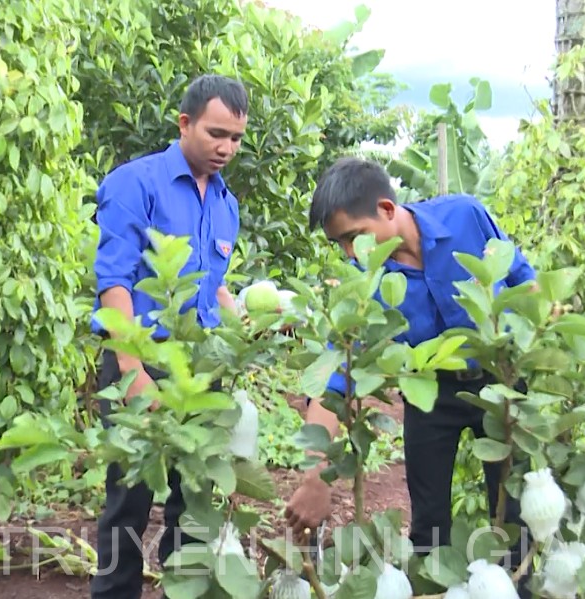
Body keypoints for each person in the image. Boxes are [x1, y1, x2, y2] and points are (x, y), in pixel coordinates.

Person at [284, 157, 538, 596]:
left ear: (386, 209)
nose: (350, 253)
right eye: (339, 244)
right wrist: (314, 477)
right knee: (428, 522)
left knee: (515, 512)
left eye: (353, 237)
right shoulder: (366, 283)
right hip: (428, 394)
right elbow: (335, 378)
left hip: (499, 381)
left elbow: (521, 279)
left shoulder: (465, 217)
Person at [89, 74, 249, 599]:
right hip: (141, 358)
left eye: (236, 138)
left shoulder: (225, 203)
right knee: (129, 499)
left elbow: (214, 286)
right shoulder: (135, 184)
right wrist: (132, 370)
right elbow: (115, 282)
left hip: (199, 371)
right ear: (184, 123)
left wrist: (241, 330)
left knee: (194, 499)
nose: (226, 148)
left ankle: (185, 589)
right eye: (216, 133)